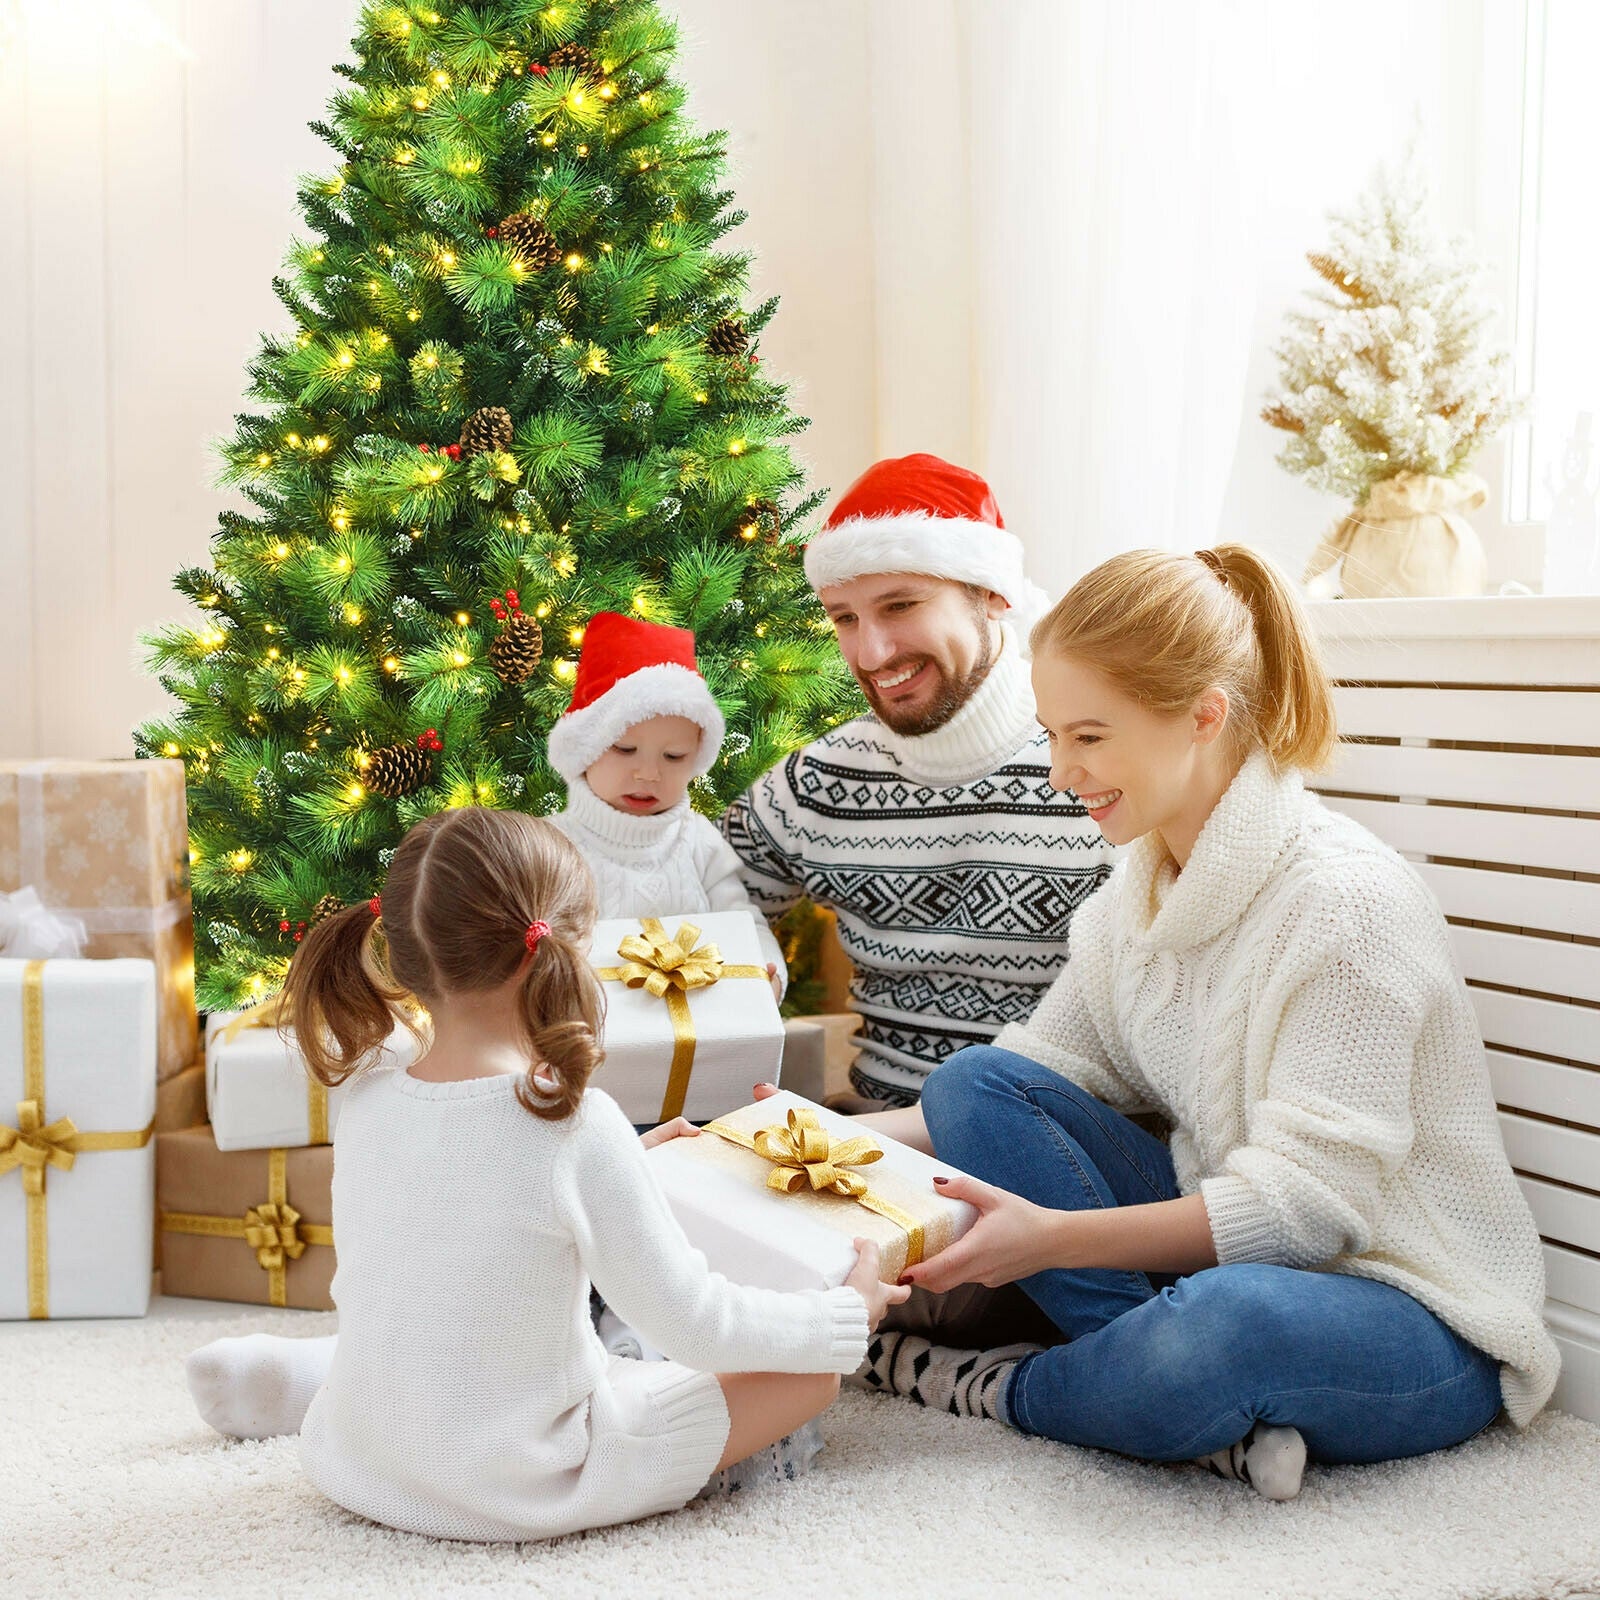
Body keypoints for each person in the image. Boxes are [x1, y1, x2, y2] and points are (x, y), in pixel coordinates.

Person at [842, 545, 1560, 1501]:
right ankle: (1161, 1395)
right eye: (1054, 736)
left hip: (1412, 1313)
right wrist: (794, 1138)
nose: (1063, 774)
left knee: (1222, 1327)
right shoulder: (1131, 897)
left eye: (1089, 737)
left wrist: (1051, 1240)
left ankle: (984, 1382)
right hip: (1231, 1248)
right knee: (972, 1083)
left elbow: (1303, 1214)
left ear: (1203, 716)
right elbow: (1034, 1078)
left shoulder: (1345, 906)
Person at [182, 807, 905, 1542]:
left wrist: (627, 1171)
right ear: (561, 947)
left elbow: (460, 1206)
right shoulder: (573, 1123)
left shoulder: (366, 1095)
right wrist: (846, 1315)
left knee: (455, 1313)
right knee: (808, 1377)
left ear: (402, 946)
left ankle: (331, 1383)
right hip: (524, 1483)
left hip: (359, 1457)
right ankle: (352, 1385)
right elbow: (694, 1323)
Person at [722, 453, 1117, 1109]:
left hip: (1048, 1153)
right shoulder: (821, 780)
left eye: (900, 605)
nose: (871, 655)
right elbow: (707, 887)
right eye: (844, 618)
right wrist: (751, 961)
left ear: (992, 594)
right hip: (871, 1152)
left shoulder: (1096, 768)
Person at [547, 609, 785, 994]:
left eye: (672, 757)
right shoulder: (551, 845)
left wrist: (762, 975)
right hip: (586, 1038)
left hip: (697, 1033)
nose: (648, 774)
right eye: (625, 750)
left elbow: (743, 921)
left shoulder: (698, 840)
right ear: (584, 749)